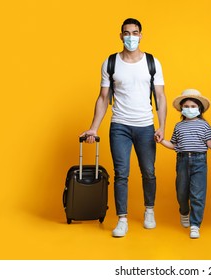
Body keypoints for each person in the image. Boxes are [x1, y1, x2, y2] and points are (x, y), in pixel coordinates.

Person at [80, 18, 167, 238]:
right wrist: (93, 128)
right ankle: (122, 219)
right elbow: (102, 98)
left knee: (148, 171)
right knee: (122, 174)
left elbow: (160, 96)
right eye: (127, 33)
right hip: (119, 125)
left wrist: (162, 126)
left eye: (135, 33)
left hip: (145, 125)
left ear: (141, 35)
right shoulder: (110, 62)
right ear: (121, 36)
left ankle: (149, 210)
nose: (131, 37)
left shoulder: (152, 62)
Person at [157, 89, 211, 239]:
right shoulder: (178, 126)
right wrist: (161, 140)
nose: (190, 109)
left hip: (199, 161)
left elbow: (210, 143)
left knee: (197, 194)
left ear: (199, 109)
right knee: (182, 192)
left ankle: (195, 225)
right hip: (182, 161)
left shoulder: (204, 125)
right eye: (187, 106)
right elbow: (174, 145)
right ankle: (184, 212)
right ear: (181, 109)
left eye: (193, 106)